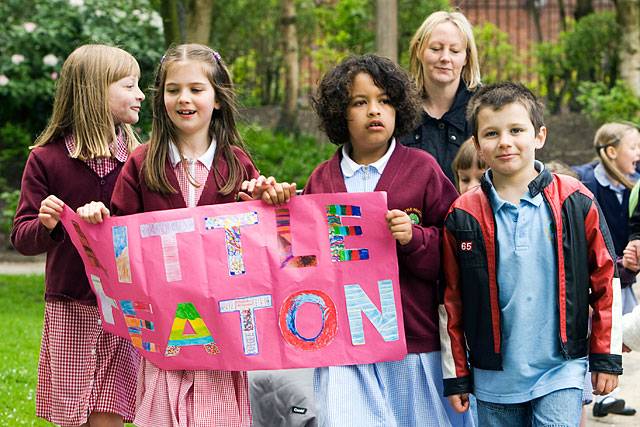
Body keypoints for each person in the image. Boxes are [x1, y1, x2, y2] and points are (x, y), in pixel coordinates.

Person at [77, 44, 293, 427]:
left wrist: (269, 201)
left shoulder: (237, 164)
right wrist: (99, 220)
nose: (184, 98)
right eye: (174, 89)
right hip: (166, 334)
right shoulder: (141, 162)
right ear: (161, 99)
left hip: (224, 340)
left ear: (218, 99)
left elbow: (264, 248)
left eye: (197, 89)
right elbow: (119, 245)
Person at [439, 82, 623, 426]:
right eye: (492, 133)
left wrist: (605, 357)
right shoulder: (462, 215)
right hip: (494, 377)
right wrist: (457, 375)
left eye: (516, 130)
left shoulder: (575, 199)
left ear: (539, 136)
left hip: (560, 369)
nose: (505, 141)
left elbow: (606, 279)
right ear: (478, 145)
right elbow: (450, 301)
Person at [305, 54, 472, 426]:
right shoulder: (321, 181)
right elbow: (305, 262)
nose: (373, 111)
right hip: (345, 346)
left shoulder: (423, 170)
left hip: (412, 343)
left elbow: (453, 252)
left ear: (399, 108)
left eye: (384, 100)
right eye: (359, 102)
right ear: (339, 114)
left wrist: (415, 239)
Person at [10, 44, 144, 426]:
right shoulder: (46, 159)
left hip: (124, 308)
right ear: (94, 91)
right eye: (129, 85)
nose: (139, 96)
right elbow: (22, 236)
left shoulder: (141, 159)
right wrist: (48, 223)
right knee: (71, 417)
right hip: (71, 307)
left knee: (110, 415)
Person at [580, 122, 640, 417]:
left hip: (624, 272)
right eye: (634, 147)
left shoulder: (634, 183)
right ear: (612, 151)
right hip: (600, 270)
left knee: (618, 330)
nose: (639, 153)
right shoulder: (586, 181)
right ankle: (592, 392)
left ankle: (607, 392)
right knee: (596, 329)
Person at [400, 10, 481, 184]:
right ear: (419, 50)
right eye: (436, 49)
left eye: (454, 51)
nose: (445, 58)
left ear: (466, 57)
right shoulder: (398, 107)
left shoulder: (484, 109)